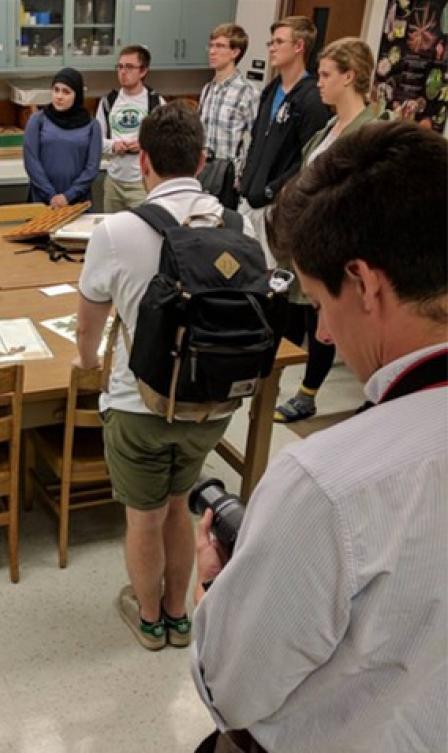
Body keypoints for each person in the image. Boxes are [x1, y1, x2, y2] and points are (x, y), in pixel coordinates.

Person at [190, 121, 447, 753]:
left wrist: (216, 592)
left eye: (318, 302)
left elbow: (232, 691)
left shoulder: (327, 485)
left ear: (362, 282)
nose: (324, 335)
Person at [75, 102, 254, 651]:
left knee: (143, 518)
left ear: (143, 159)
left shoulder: (117, 230)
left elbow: (89, 327)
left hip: (141, 403)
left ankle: (150, 620)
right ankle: (180, 614)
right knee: (181, 505)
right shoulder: (235, 222)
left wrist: (87, 366)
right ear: (201, 160)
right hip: (211, 405)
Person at [274, 38, 377, 423]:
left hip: (339, 248)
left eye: (326, 75)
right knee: (301, 316)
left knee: (328, 325)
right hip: (306, 240)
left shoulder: (369, 133)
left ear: (349, 76)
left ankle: (310, 394)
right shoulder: (331, 127)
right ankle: (292, 384)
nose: (319, 82)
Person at [238, 16, 330, 266]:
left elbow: (309, 159)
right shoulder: (271, 90)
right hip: (249, 200)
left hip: (276, 207)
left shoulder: (312, 99)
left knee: (269, 278)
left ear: (299, 46)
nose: (271, 48)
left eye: (279, 42)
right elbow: (257, 140)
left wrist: (275, 189)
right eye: (271, 42)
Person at [96, 45, 165, 213]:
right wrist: (113, 146)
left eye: (129, 67)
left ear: (143, 71)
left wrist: (144, 145)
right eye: (120, 66)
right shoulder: (108, 102)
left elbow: (165, 143)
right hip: (113, 181)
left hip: (142, 183)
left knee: (142, 230)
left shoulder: (156, 103)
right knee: (112, 230)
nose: (123, 72)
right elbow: (96, 141)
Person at [23, 67, 102, 208]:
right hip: (42, 201)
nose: (59, 96)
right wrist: (51, 195)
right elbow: (31, 162)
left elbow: (92, 168)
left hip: (77, 202)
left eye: (66, 92)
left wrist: (68, 196)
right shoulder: (37, 120)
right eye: (56, 90)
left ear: (76, 95)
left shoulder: (92, 125)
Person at [198, 23, 258, 180]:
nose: (212, 51)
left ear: (235, 52)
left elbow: (255, 140)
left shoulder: (247, 91)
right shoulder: (208, 89)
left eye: (220, 46)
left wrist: (242, 175)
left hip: (227, 174)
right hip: (203, 170)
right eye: (211, 46)